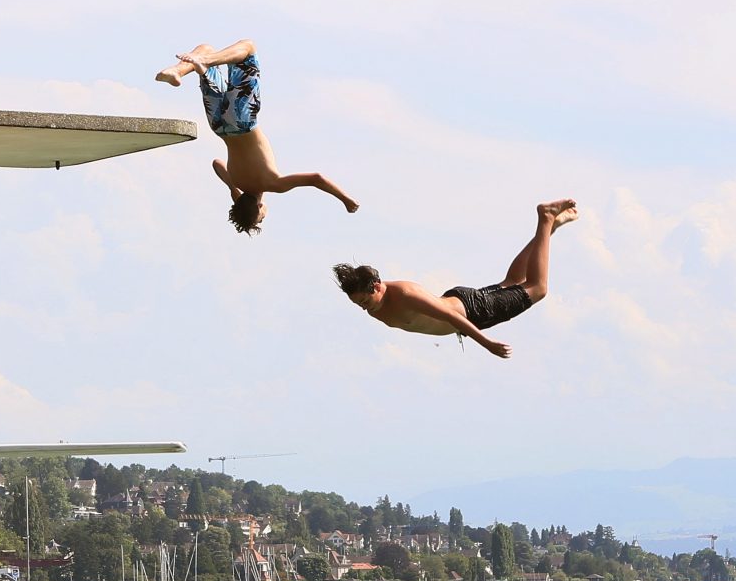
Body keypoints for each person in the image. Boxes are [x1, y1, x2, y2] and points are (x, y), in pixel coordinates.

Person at [334, 200, 577, 360]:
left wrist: (487, 344)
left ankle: (545, 219)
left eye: (365, 300)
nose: (364, 307)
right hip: (464, 305)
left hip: (471, 312)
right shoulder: (375, 307)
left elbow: (451, 317)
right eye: (359, 304)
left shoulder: (404, 294)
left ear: (377, 286)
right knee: (513, 280)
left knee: (537, 288)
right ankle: (548, 229)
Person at [156, 41, 358, 233]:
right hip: (219, 127)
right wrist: (232, 190)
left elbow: (316, 178)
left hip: (242, 121)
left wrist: (346, 199)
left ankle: (203, 63)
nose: (265, 215)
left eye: (262, 217)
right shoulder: (236, 181)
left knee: (248, 49)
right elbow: (217, 163)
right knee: (205, 49)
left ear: (260, 207)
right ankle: (177, 70)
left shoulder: (273, 183)